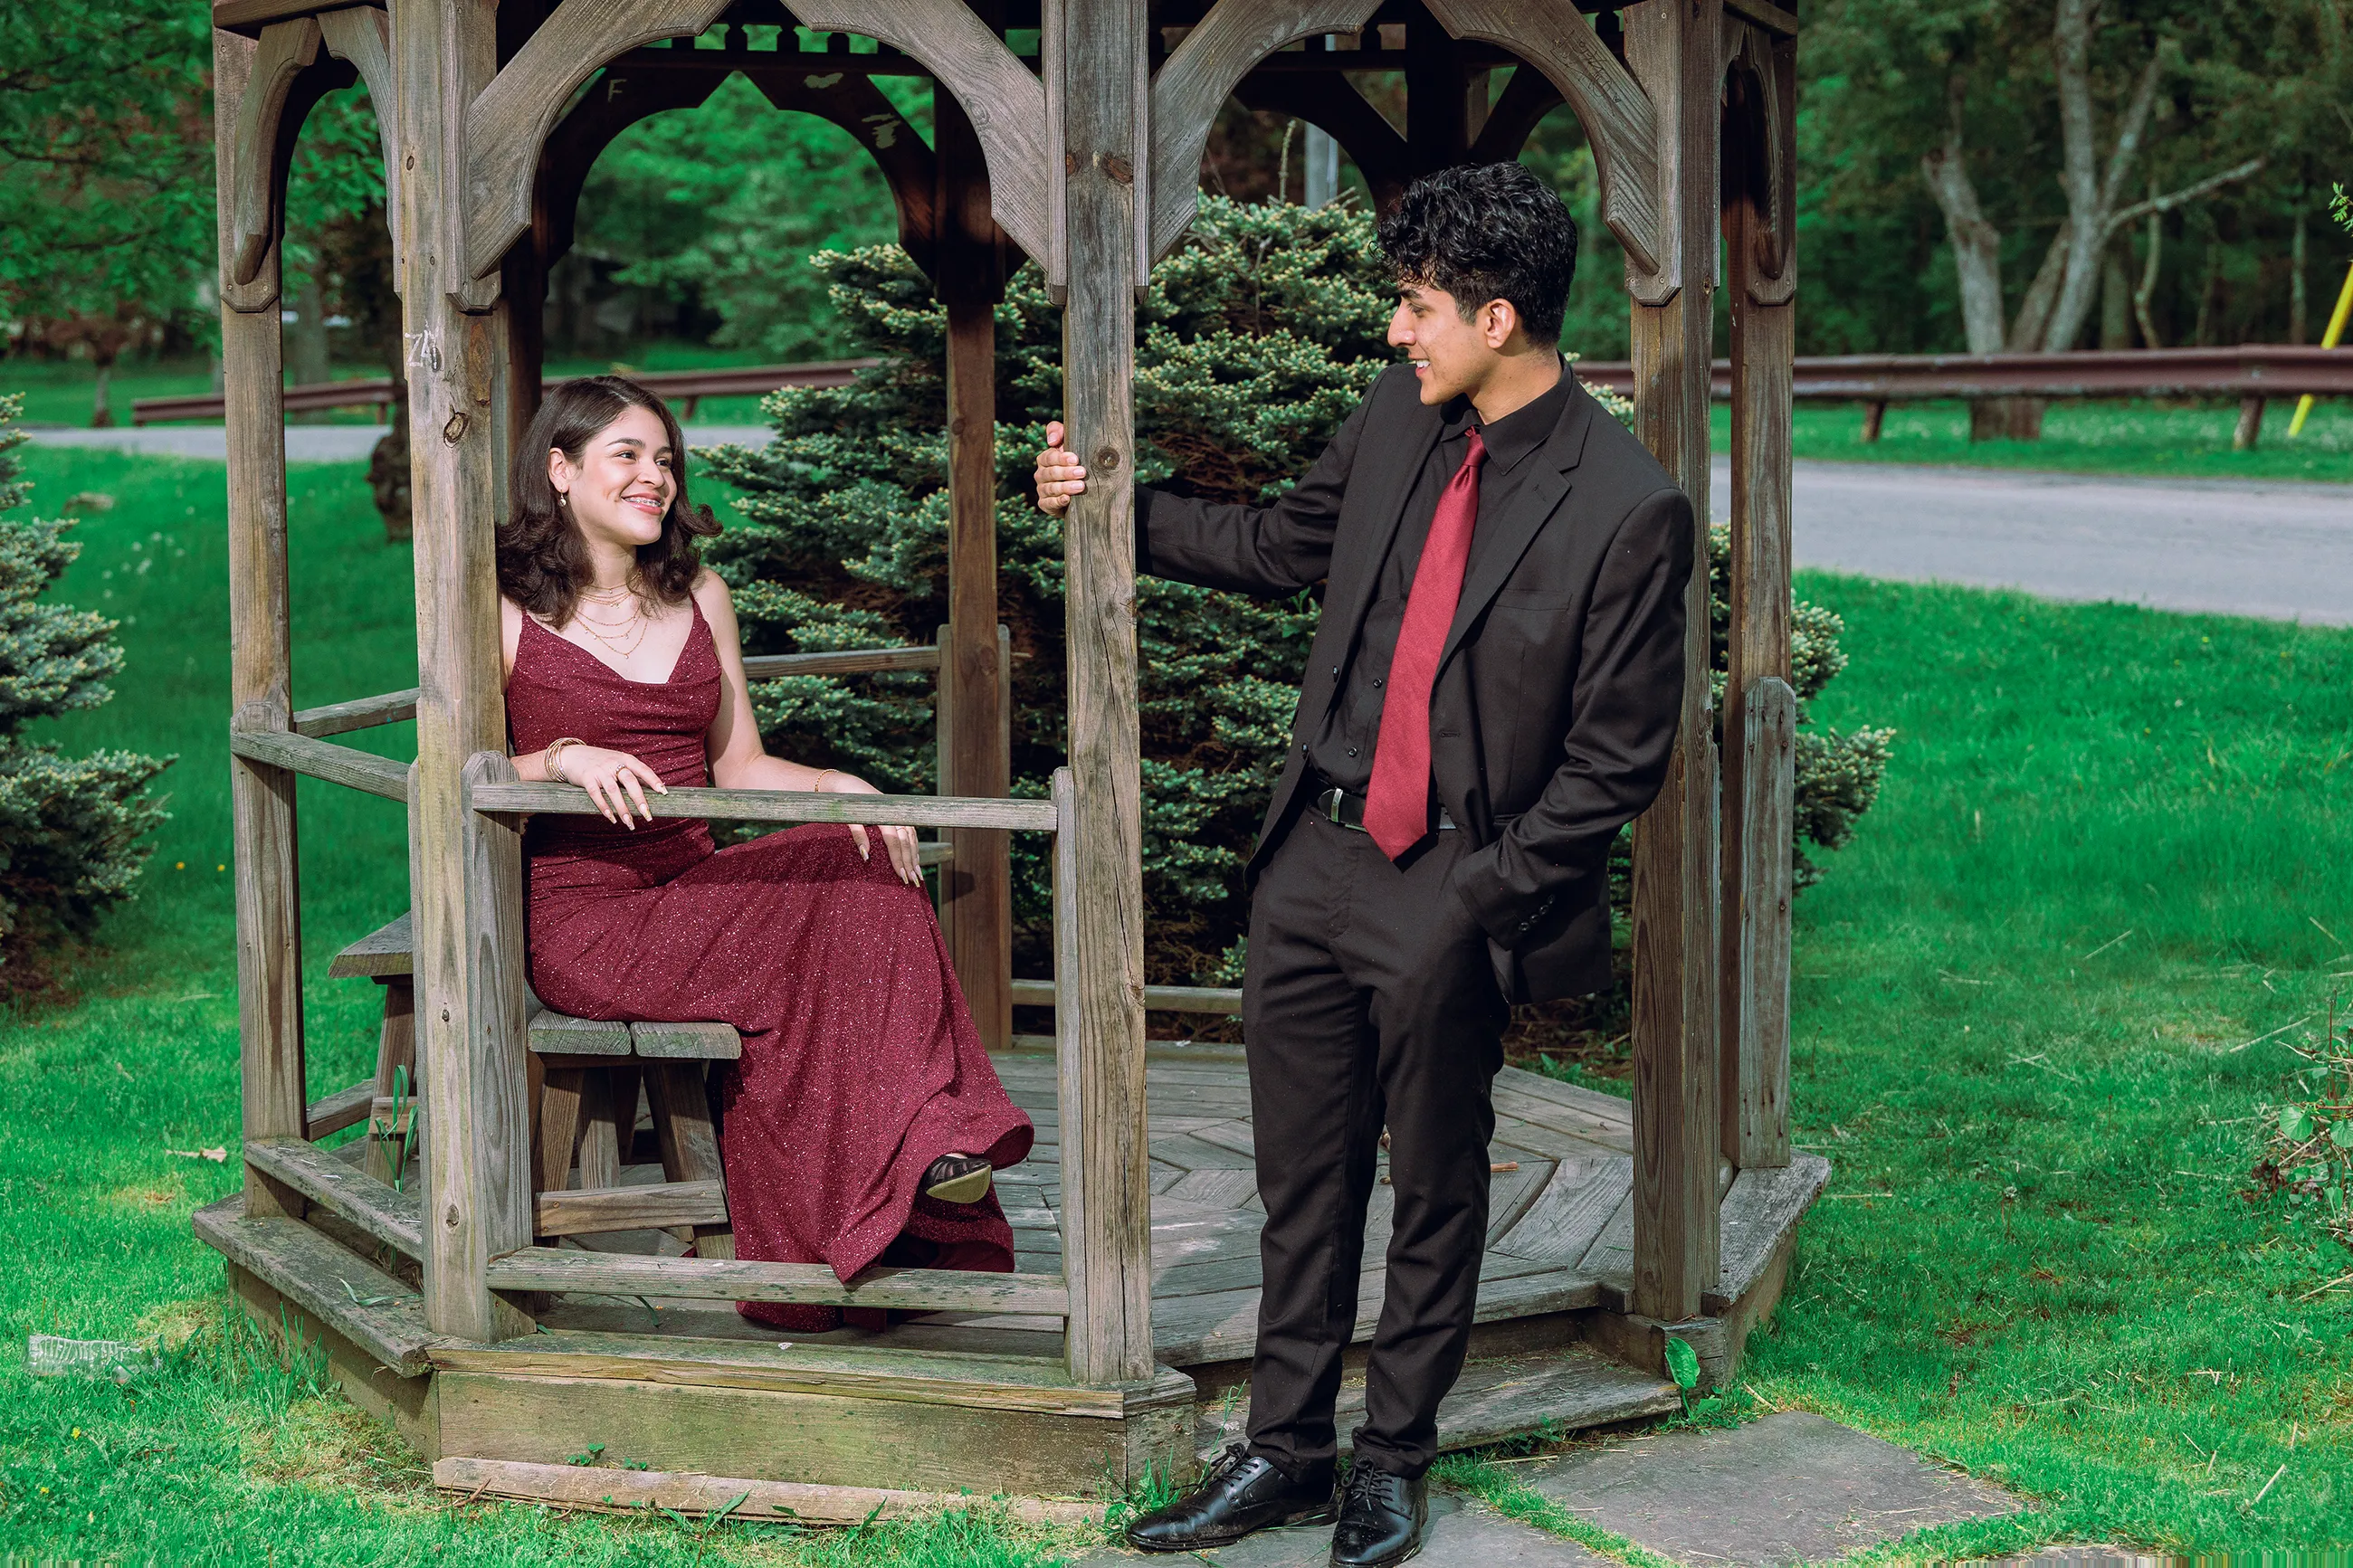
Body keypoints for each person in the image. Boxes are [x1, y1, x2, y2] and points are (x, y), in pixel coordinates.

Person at [1035, 164, 1693, 1567]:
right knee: (1303, 1175)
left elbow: (1618, 760)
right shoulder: (1404, 415)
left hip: (1452, 885)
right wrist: (1113, 505)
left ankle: (1392, 1462)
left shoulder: (1627, 506)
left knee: (1438, 1181)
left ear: (1501, 318)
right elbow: (1283, 545)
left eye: (1416, 307)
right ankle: (1282, 1451)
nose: (1396, 333)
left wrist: (1478, 895)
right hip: (1313, 859)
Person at [500, 374, 1033, 1333]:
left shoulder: (699, 591)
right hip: (590, 918)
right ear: (559, 467)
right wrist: (556, 756)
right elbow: (451, 763)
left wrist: (839, 788)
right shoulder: (500, 607)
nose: (653, 477)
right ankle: (914, 1156)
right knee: (831, 906)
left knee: (863, 856)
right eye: (626, 455)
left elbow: (737, 763)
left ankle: (912, 1173)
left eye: (663, 459)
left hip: (695, 885)